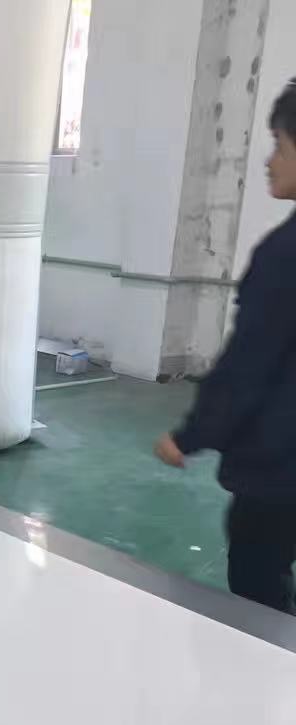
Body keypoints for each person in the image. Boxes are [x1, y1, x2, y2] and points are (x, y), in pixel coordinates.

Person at [155, 79, 296, 613]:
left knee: (258, 582)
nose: (269, 162)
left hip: (281, 473)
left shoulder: (285, 255)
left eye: (280, 145)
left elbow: (248, 366)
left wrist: (190, 436)